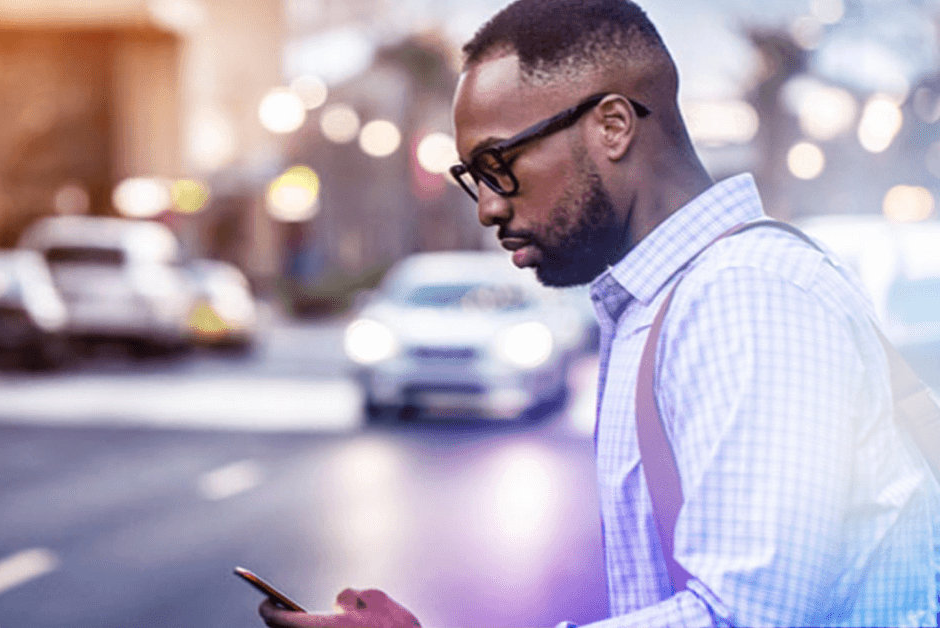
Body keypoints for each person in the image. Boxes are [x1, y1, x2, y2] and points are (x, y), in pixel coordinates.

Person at [258, 1, 940, 626]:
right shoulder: (673, 299)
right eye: (473, 177)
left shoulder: (745, 295)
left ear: (613, 126)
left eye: (500, 164)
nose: (488, 206)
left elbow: (744, 619)